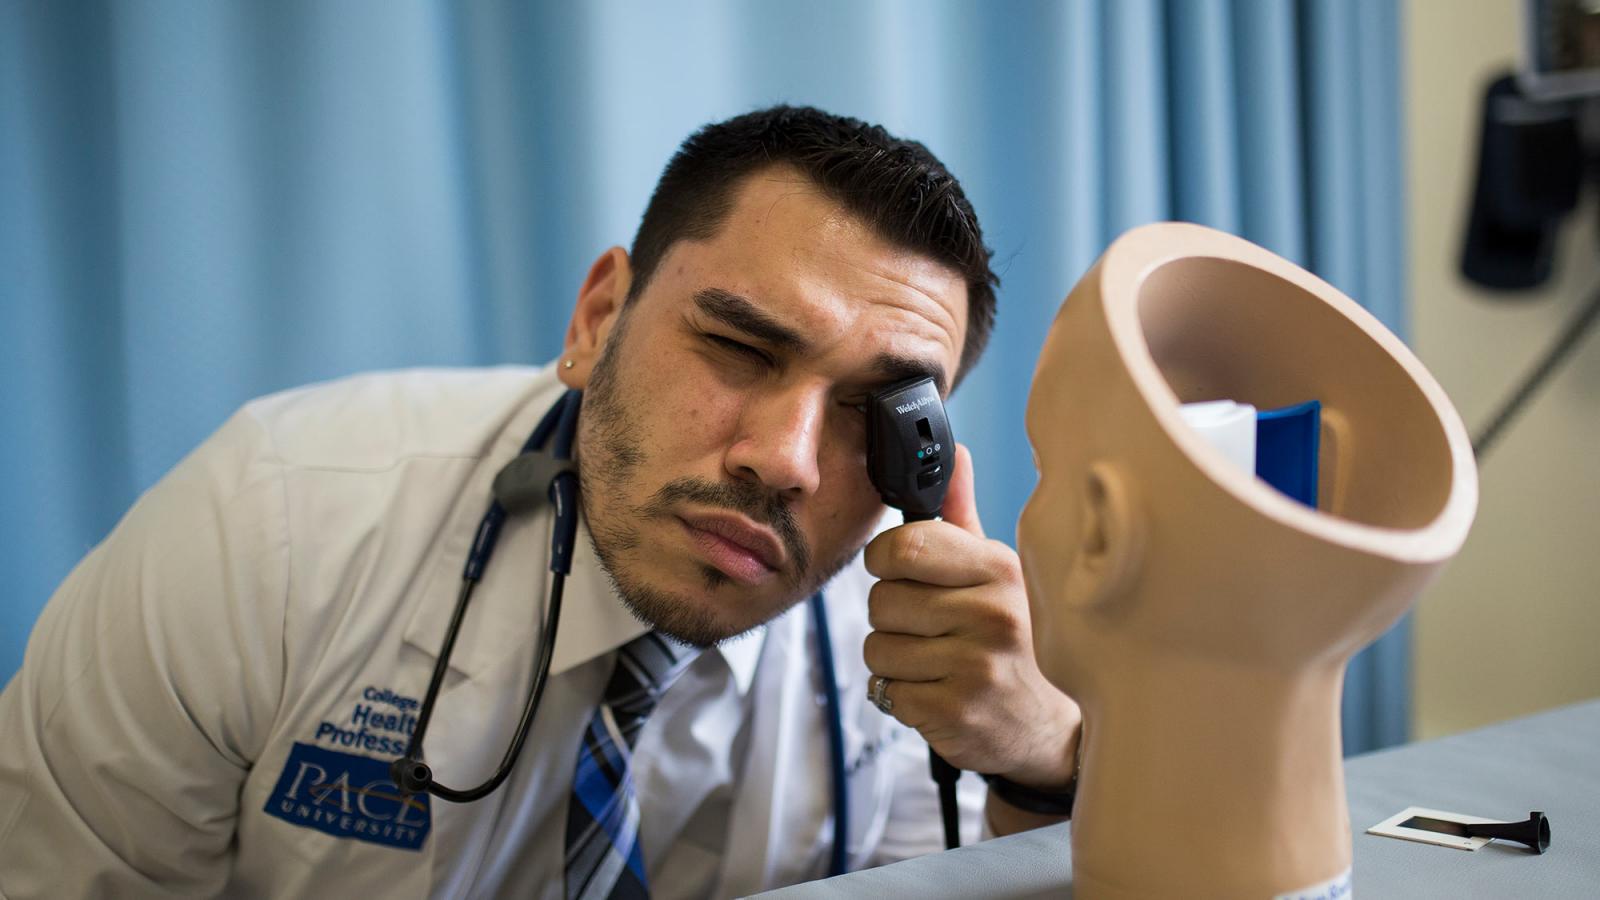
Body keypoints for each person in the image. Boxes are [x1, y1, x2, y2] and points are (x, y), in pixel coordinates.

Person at [0, 105, 1082, 898]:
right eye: (739, 347)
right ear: (598, 318)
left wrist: (1037, 758)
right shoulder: (272, 527)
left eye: (867, 413)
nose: (786, 461)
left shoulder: (914, 655)